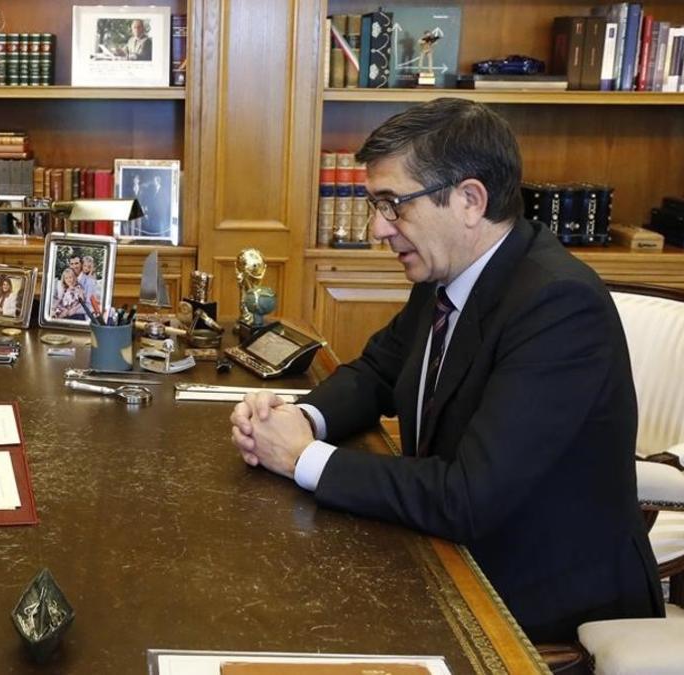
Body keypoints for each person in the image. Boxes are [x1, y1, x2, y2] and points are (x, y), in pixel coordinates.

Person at [229, 97, 662, 643]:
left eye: (392, 205)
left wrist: (301, 458)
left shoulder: (558, 305)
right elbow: (377, 374)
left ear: (469, 200)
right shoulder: (446, 273)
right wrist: (301, 418)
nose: (376, 230)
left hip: (538, 601)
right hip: (446, 554)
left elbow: (467, 496)